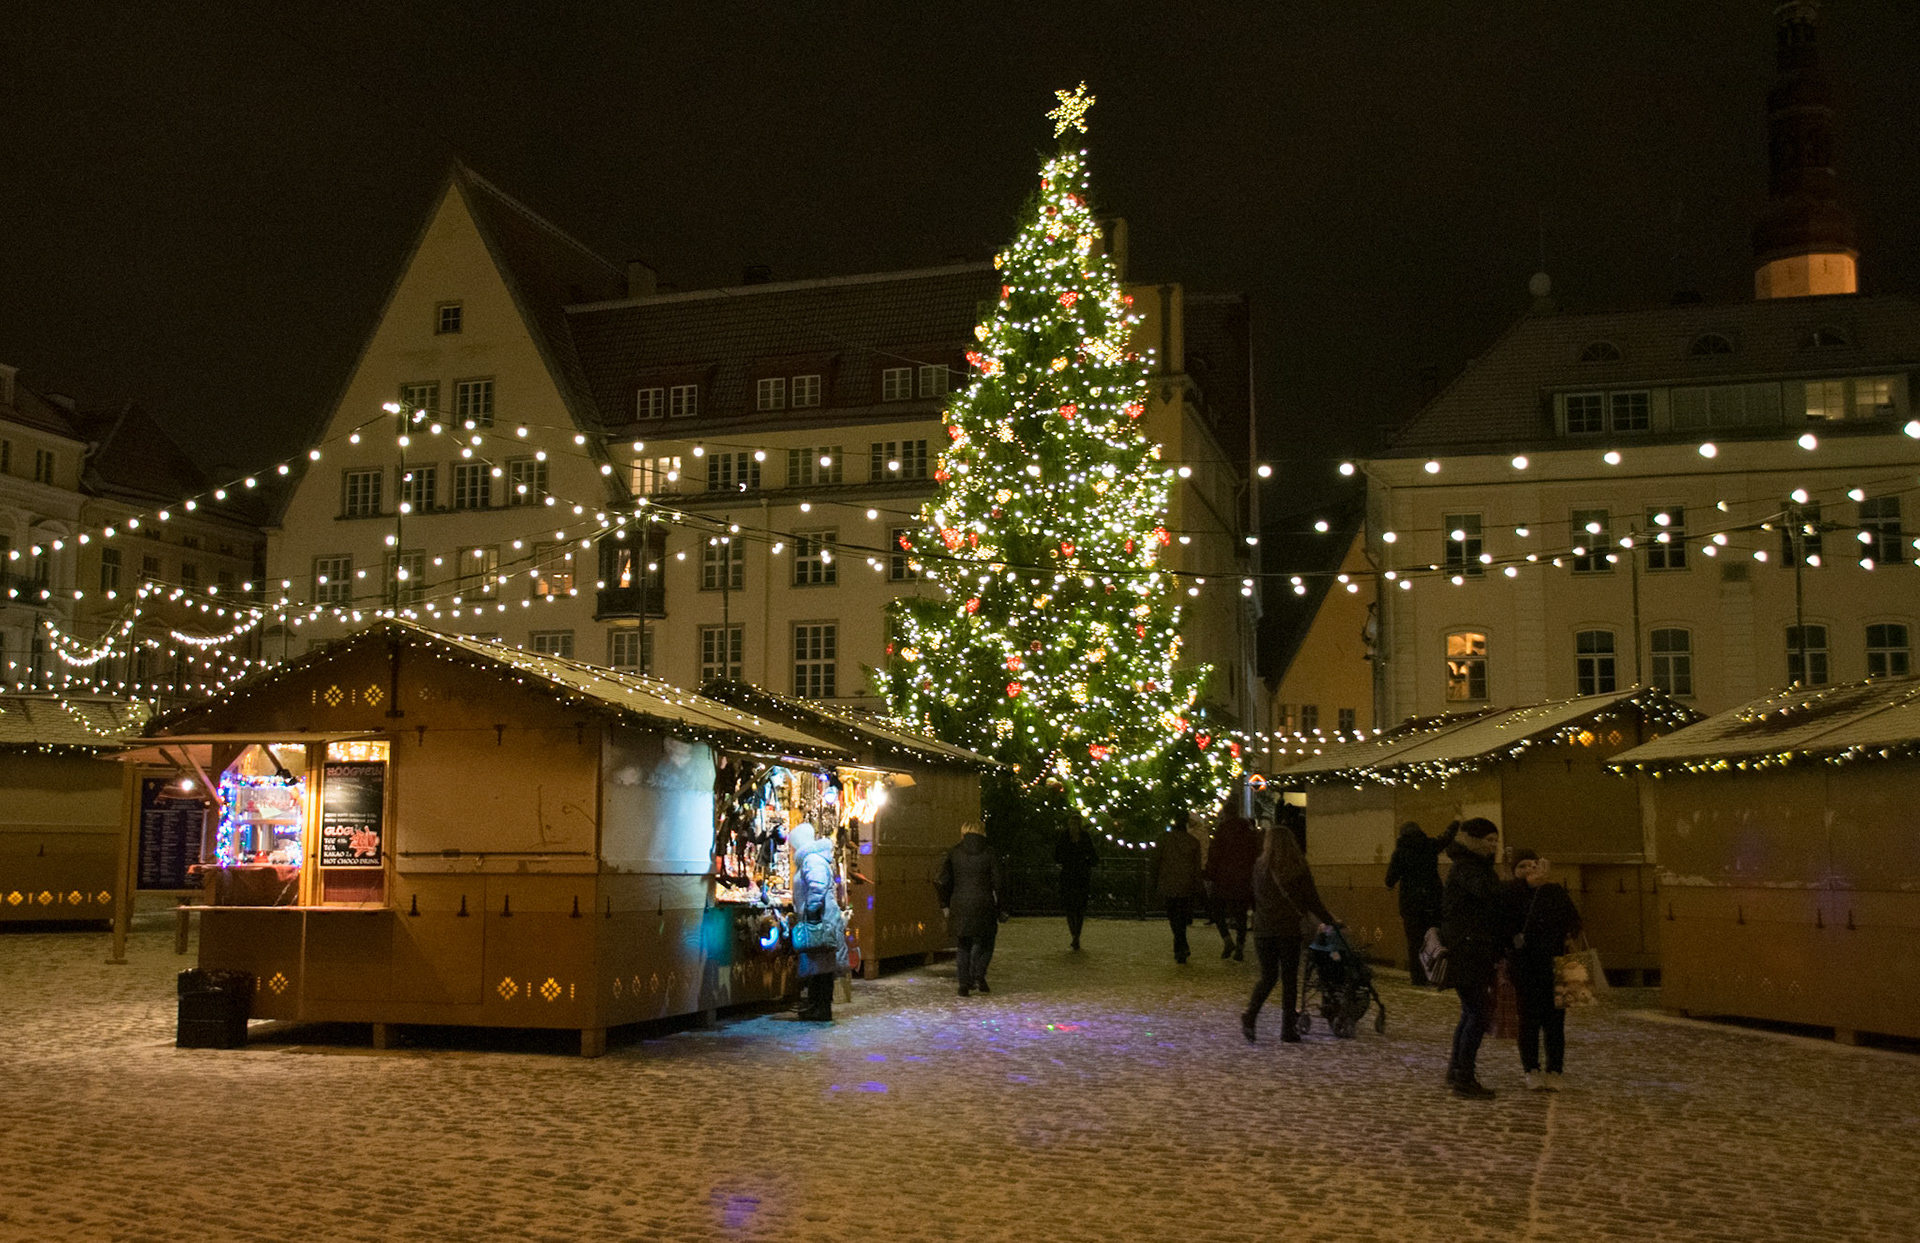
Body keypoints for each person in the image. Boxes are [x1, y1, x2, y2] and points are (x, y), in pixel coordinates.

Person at [1241, 808, 1337, 1043]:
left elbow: (1252, 896)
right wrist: (1328, 919)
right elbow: (1312, 899)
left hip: (1263, 929)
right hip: (1288, 929)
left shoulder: (1259, 868)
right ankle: (1287, 1029)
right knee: (1289, 979)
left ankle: (1251, 1015)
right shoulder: (1298, 868)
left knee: (1268, 976)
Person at [1441, 818, 1510, 1098]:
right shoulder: (1467, 867)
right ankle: (1464, 1079)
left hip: (1471, 948)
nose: (1493, 845)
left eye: (1495, 840)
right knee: (1479, 1014)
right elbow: (1489, 894)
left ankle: (1457, 1071)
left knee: (1471, 1012)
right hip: (1467, 950)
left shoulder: (1472, 865)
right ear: (1470, 839)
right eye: (1488, 840)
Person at [1507, 848, 1583, 1091]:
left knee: (1555, 1021)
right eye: (1522, 866)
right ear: (1514, 871)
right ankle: (1531, 1068)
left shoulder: (1554, 891)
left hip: (1555, 963)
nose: (1529, 870)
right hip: (1524, 965)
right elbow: (1504, 922)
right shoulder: (1511, 892)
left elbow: (1573, 920)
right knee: (1528, 1020)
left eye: (1533, 865)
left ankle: (1555, 1069)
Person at [1385, 819, 1459, 985]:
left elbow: (1389, 879)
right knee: (1436, 939)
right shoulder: (1430, 845)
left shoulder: (1400, 853)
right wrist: (1456, 823)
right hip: (1433, 901)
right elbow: (1445, 837)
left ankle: (1418, 978)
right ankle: (1438, 975)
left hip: (1411, 905)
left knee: (1415, 943)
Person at [937, 820, 1005, 995]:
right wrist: (1002, 906)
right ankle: (979, 974)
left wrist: (944, 903)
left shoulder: (954, 853)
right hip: (984, 903)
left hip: (960, 904)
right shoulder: (990, 853)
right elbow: (999, 882)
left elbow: (943, 880)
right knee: (986, 941)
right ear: (982, 832)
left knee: (963, 944)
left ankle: (963, 984)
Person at [789, 823, 843, 1022]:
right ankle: (818, 1005)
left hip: (819, 920)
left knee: (820, 964)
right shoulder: (813, 860)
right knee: (819, 965)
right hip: (820, 919)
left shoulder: (812, 860)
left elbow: (817, 887)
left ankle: (820, 1007)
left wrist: (811, 911)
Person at [1205, 814, 1262, 960]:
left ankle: (1227, 939)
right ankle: (1240, 946)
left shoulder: (1221, 835)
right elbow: (1256, 857)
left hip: (1223, 879)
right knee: (1240, 914)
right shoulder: (1249, 837)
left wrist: (1210, 874)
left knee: (1217, 911)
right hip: (1243, 880)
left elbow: (1213, 857)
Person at [1150, 818, 1205, 964]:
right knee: (1181, 915)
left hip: (1168, 882)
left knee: (1173, 916)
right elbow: (1196, 867)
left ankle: (1181, 945)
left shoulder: (1164, 840)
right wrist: (1198, 885)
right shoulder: (1193, 842)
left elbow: (1155, 861)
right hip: (1186, 884)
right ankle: (1181, 946)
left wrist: (1153, 882)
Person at [1053, 817, 1100, 950]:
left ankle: (1076, 935)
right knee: (1070, 908)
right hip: (1070, 875)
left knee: (1078, 908)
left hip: (1079, 876)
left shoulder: (1082, 837)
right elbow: (1057, 855)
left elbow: (1093, 856)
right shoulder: (1068, 837)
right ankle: (1075, 934)